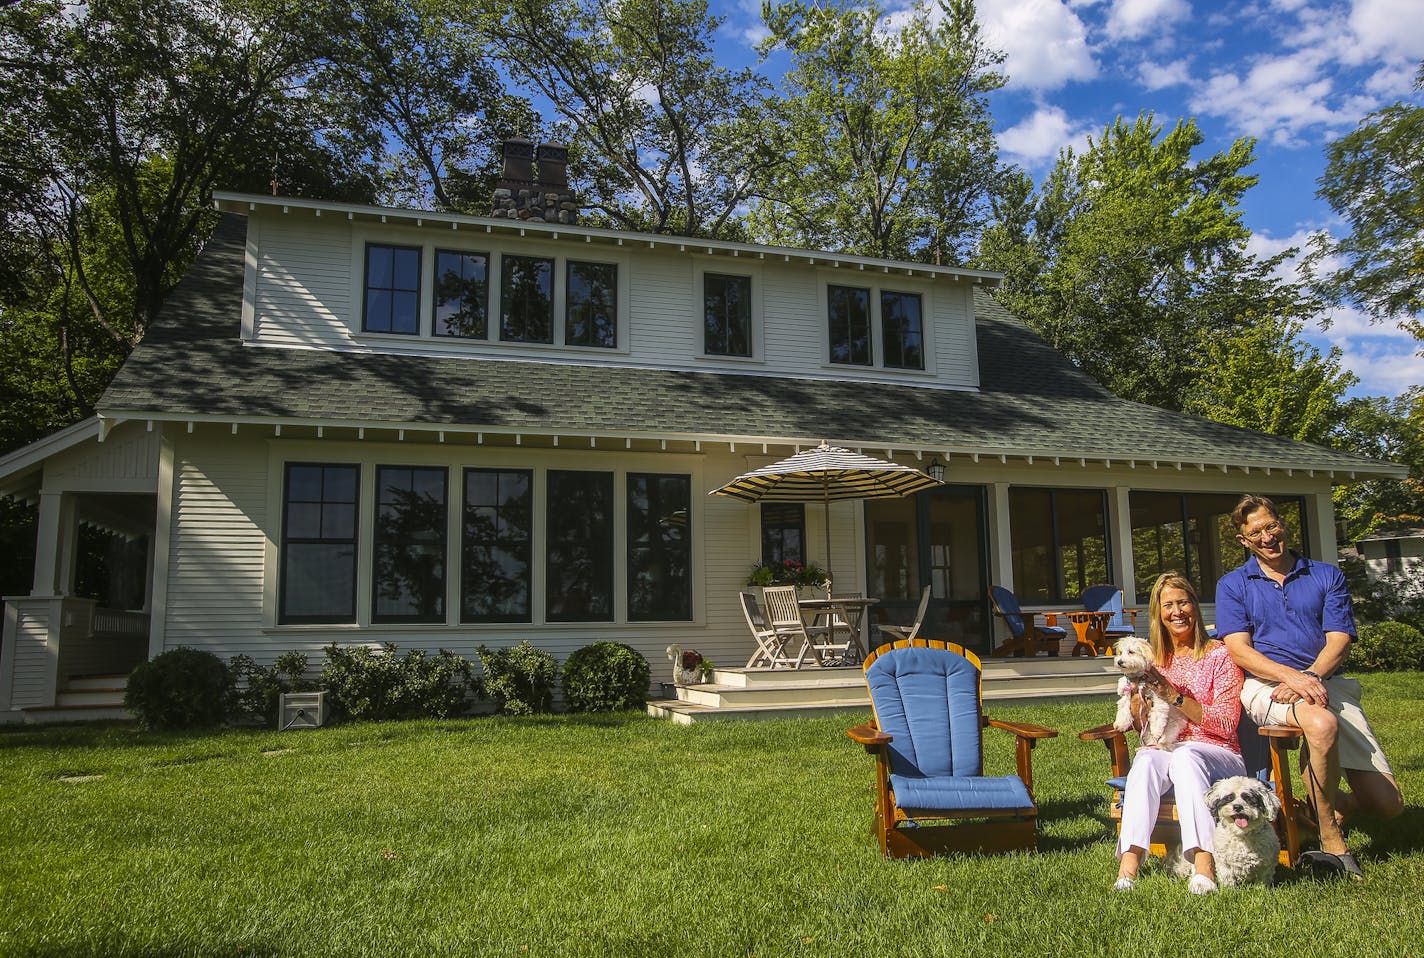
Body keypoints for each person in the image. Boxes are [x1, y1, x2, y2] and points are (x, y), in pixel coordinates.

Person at [1217, 494, 1404, 881]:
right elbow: (1238, 649)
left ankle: (1328, 807)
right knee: (1321, 726)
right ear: (1244, 541)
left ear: (1282, 524)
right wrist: (1290, 677)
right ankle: (1331, 839)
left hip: (1325, 682)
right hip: (1266, 686)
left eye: (1272, 526)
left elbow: (1339, 640)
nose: (1268, 537)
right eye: (1256, 532)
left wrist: (1311, 678)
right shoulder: (1233, 584)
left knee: (1389, 805)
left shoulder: (1325, 575)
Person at [1114, 572, 1246, 895]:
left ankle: (1203, 868)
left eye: (1183, 602)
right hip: (1171, 748)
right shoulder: (1154, 661)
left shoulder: (1220, 655)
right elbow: (1139, 726)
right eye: (1168, 605)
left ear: (1195, 607)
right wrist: (1135, 705)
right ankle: (1127, 870)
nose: (1177, 611)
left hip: (1220, 754)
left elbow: (1226, 723)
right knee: (1145, 759)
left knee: (1186, 756)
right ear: (1159, 614)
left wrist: (1175, 697)